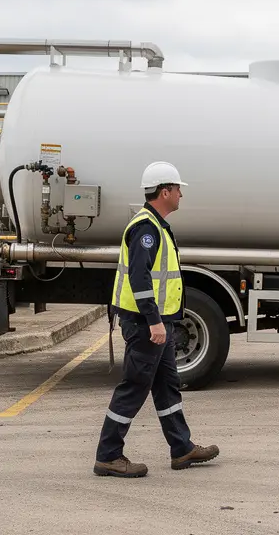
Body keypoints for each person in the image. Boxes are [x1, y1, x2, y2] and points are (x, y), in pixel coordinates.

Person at [94, 161, 220, 478]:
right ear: (165, 191)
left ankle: (182, 448)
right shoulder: (146, 229)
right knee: (134, 387)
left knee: (167, 387)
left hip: (156, 322)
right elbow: (139, 278)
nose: (181, 195)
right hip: (143, 324)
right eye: (178, 189)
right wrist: (153, 321)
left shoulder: (156, 225)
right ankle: (108, 455)